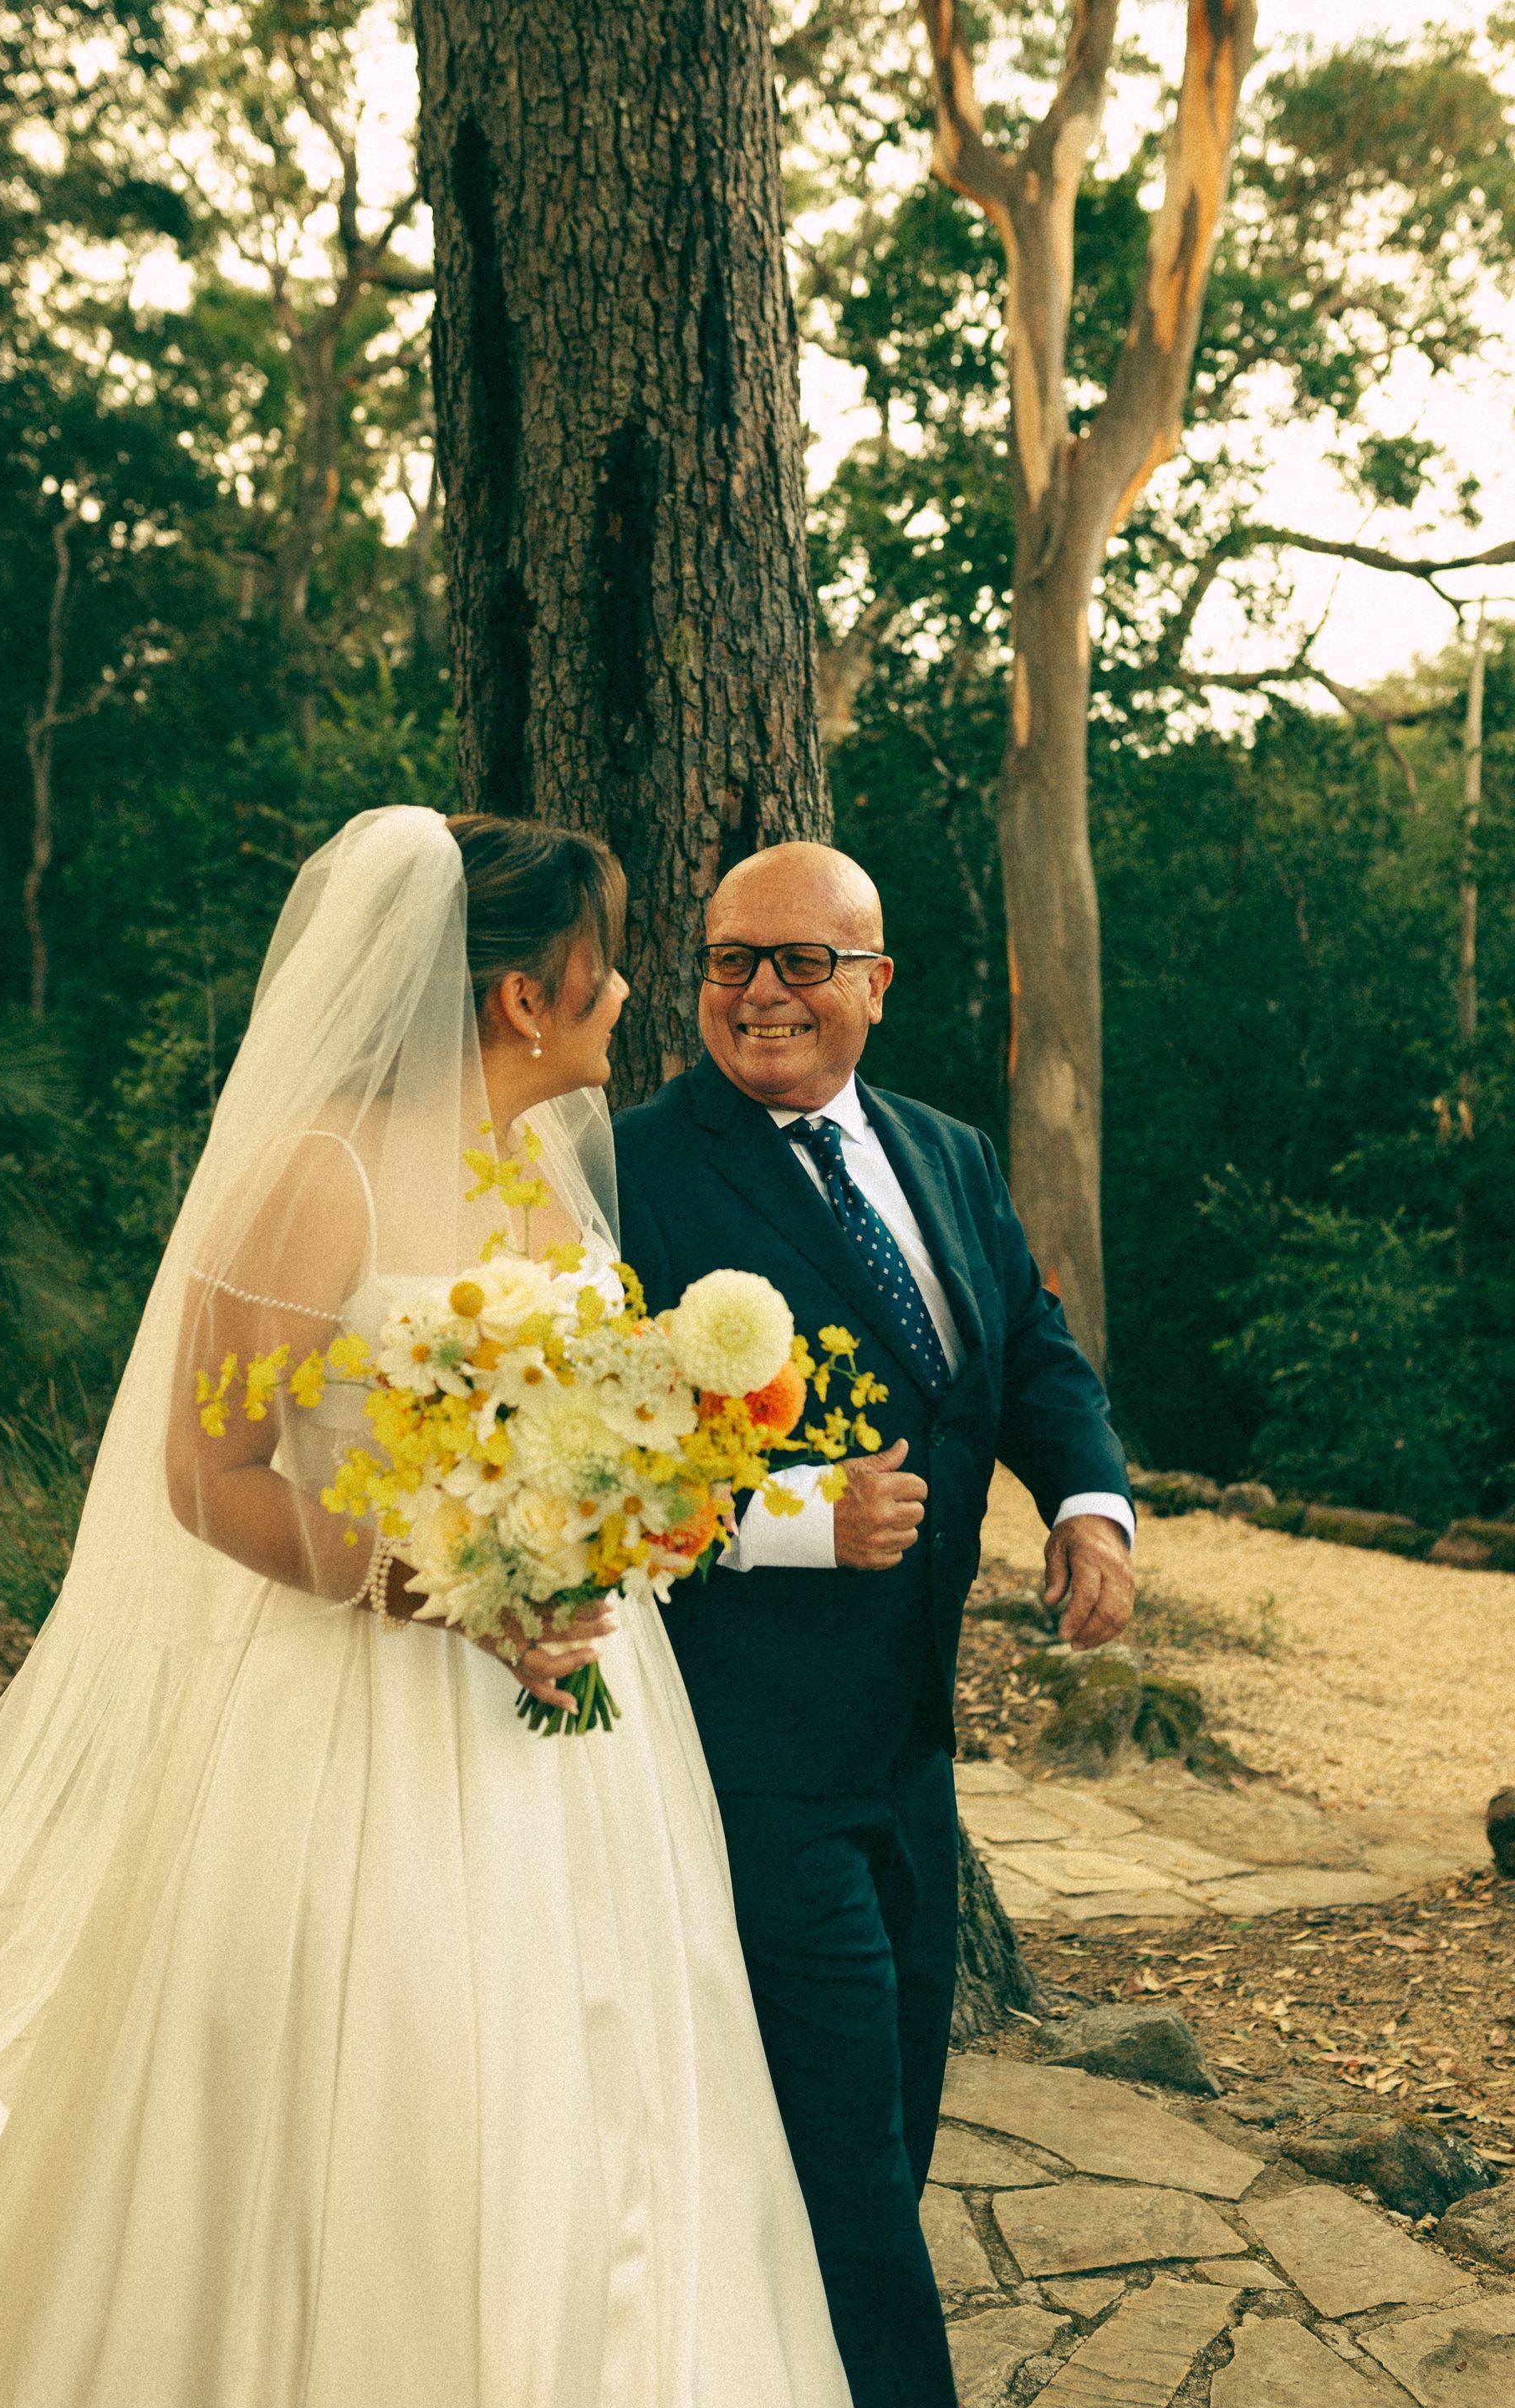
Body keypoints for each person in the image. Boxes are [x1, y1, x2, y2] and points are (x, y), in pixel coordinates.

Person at [0, 809, 851, 2407]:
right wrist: (433, 1585)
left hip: (567, 1736)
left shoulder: (549, 1177)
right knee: (393, 2090)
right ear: (520, 1002)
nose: (625, 997)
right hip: (347, 1726)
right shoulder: (317, 1173)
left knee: (591, 2078)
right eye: (602, 969)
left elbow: (595, 1430)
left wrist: (611, 1533)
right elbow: (206, 1472)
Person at [614, 841, 1135, 2408]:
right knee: (845, 2153)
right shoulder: (628, 1171)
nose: (761, 993)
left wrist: (1090, 1508)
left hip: (915, 1755)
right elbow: (590, 1465)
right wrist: (792, 1519)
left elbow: (1033, 1354)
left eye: (801, 963)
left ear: (875, 983)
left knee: (895, 2119)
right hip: (749, 1758)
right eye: (729, 961)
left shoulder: (951, 1155)